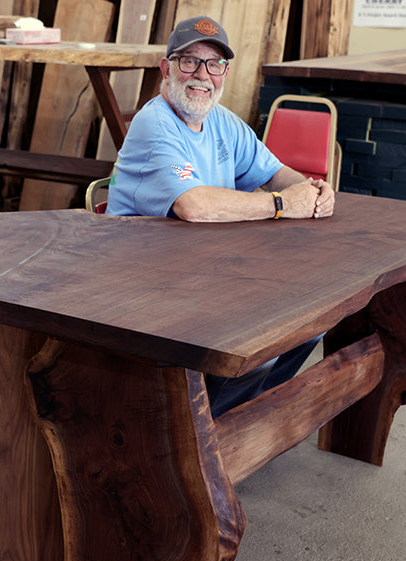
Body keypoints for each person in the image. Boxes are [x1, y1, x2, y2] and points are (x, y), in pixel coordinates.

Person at [106, 15, 335, 415]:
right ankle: (204, 432)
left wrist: (311, 190)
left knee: (313, 319)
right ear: (166, 68)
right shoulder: (154, 123)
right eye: (189, 61)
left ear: (225, 72)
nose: (202, 75)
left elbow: (275, 172)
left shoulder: (223, 121)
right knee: (259, 341)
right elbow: (193, 206)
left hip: (207, 271)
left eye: (214, 64)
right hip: (143, 282)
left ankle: (239, 418)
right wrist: (282, 205)